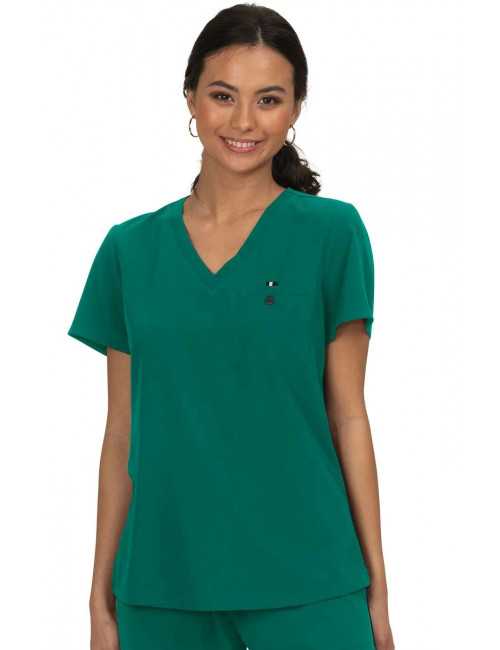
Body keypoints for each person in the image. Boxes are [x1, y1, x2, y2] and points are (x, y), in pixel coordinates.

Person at [68, 4, 395, 650]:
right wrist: (99, 595)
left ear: (295, 109)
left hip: (311, 577)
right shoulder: (129, 250)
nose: (244, 122)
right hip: (161, 583)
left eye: (268, 99)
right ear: (190, 97)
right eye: (223, 95)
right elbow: (121, 433)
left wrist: (378, 590)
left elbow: (349, 417)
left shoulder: (333, 234)